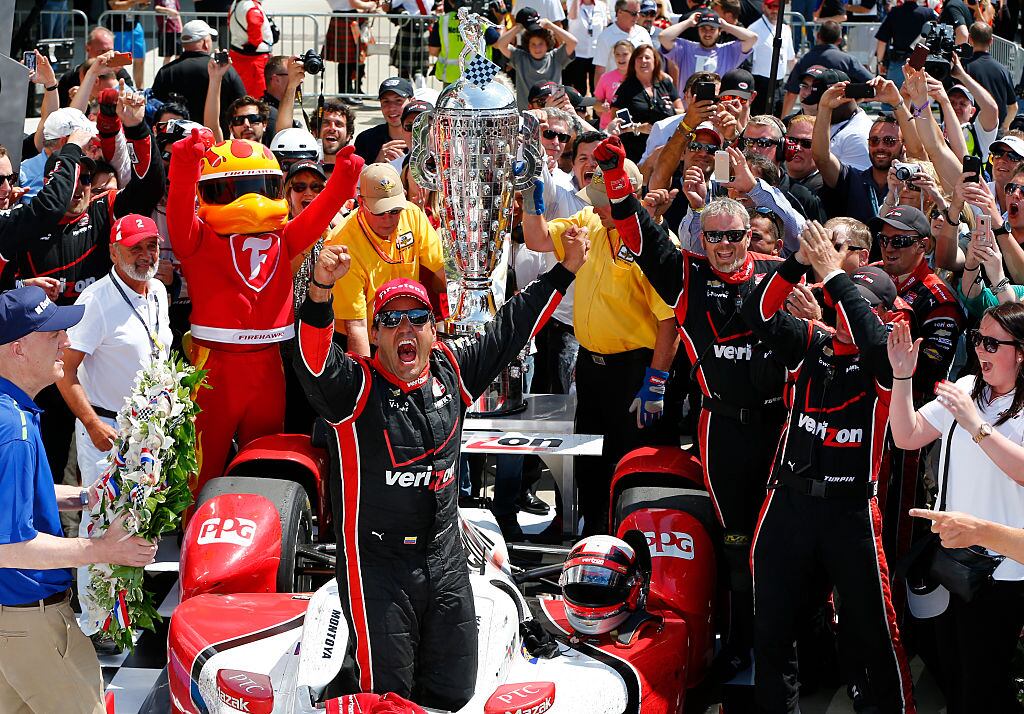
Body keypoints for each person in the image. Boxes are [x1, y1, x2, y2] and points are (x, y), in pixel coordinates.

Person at [294, 234, 587, 708]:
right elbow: (311, 362)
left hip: (445, 558)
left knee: (455, 691)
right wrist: (321, 293)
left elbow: (509, 329)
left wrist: (565, 269)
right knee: (388, 698)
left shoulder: (451, 370)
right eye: (390, 320)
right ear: (376, 331)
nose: (404, 329)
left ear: (434, 330)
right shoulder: (353, 390)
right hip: (378, 567)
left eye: (417, 318)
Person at [598, 136, 787, 680]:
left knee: (775, 542)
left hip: (779, 427)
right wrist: (615, 175)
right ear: (702, 239)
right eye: (714, 238)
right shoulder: (689, 278)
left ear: (750, 237)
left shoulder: (777, 276)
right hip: (722, 429)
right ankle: (736, 639)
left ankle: (782, 640)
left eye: (734, 237)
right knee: (733, 542)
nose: (724, 246)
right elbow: (639, 235)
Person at [745, 223, 916, 714]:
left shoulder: (888, 363)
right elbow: (757, 313)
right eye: (836, 301)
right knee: (772, 630)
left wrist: (835, 277)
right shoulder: (809, 346)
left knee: (874, 633)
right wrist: (799, 263)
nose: (839, 313)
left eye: (850, 303)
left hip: (851, 513)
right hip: (789, 502)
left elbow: (870, 338)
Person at [166, 129, 362, 501]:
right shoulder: (197, 239)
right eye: (237, 189)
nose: (251, 199)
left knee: (266, 461)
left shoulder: (283, 237)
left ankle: (263, 536)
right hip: (214, 368)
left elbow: (318, 217)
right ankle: (192, 537)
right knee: (200, 467)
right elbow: (178, 206)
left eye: (261, 186)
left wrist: (343, 180)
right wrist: (187, 161)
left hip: (268, 365)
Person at [0, 285, 157, 714]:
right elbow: (8, 547)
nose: (66, 342)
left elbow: (17, 497)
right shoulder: (12, 429)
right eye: (53, 334)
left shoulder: (9, 413)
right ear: (17, 348)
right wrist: (103, 549)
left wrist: (87, 497)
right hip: (32, 623)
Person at [523, 159, 680, 536]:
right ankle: (593, 544)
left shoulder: (657, 244)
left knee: (633, 468)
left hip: (636, 372)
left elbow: (669, 320)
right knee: (591, 468)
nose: (594, 207)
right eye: (593, 199)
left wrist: (656, 381)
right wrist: (531, 200)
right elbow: (537, 239)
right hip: (592, 369)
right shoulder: (592, 224)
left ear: (632, 198)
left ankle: (635, 549)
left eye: (604, 201)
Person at [888, 302, 1024, 713]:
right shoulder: (966, 388)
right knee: (957, 677)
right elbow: (907, 436)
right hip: (955, 559)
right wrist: (902, 376)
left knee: (984, 683)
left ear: (1021, 352)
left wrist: (975, 425)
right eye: (977, 339)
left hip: (1006, 569)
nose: (980, 349)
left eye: (991, 342)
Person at [55, 214, 171, 642]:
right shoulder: (97, 302)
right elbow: (63, 372)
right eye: (135, 248)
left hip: (149, 431)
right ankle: (95, 620)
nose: (146, 255)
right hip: (106, 429)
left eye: (151, 246)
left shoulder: (157, 290)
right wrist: (91, 423)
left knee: (137, 520)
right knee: (101, 522)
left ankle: (122, 609)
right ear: (114, 252)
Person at [325, 163, 446, 356]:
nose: (388, 219)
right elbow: (355, 326)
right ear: (361, 202)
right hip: (364, 338)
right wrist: (368, 378)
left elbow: (444, 271)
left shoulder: (412, 215)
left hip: (406, 326)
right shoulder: (343, 243)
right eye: (380, 211)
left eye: (394, 210)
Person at [151, 20, 246, 125]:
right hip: (216, 137)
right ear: (205, 43)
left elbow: (155, 106)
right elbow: (242, 102)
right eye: (211, 39)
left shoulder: (166, 72)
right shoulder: (223, 70)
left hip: (177, 137)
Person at [783, 21, 873, 116]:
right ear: (839, 40)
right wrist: (854, 99)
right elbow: (871, 84)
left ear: (818, 36)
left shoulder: (805, 59)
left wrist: (782, 123)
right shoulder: (848, 60)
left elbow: (791, 94)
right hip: (839, 115)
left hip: (810, 117)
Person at [612, 45, 683, 162]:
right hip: (636, 148)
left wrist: (665, 111)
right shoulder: (626, 88)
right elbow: (615, 122)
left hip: (666, 144)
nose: (643, 61)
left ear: (655, 61)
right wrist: (638, 127)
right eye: (639, 58)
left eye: (647, 57)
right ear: (633, 62)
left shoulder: (665, 83)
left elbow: (681, 111)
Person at [496, 11, 578, 110]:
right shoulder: (520, 57)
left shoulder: (555, 57)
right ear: (527, 45)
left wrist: (550, 25)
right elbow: (500, 44)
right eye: (533, 44)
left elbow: (573, 42)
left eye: (541, 44)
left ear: (547, 44)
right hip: (527, 114)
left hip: (554, 113)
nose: (537, 48)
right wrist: (519, 27)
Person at [656, 10, 756, 85]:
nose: (707, 33)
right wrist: (689, 22)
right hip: (689, 107)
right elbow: (663, 37)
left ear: (719, 31)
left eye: (712, 29)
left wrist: (726, 26)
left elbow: (752, 38)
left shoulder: (728, 51)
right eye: (703, 28)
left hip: (717, 107)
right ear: (698, 30)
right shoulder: (685, 48)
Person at [56, 27, 134, 108]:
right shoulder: (72, 77)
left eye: (110, 51)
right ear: (88, 49)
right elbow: (60, 112)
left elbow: (130, 100)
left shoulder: (119, 72)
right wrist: (78, 98)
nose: (107, 55)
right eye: (102, 51)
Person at [964, 22, 1018, 130]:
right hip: (995, 134)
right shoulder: (1003, 70)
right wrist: (1004, 127)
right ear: (991, 41)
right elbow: (1013, 107)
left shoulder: (963, 69)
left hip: (970, 134)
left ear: (970, 39)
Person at [873, 0, 937, 89]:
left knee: (892, 99)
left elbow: (882, 41)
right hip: (921, 64)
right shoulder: (928, 13)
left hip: (898, 65)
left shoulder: (895, 12)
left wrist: (880, 63)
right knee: (919, 100)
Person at [748, 0, 795, 116]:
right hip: (761, 85)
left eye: (778, 7)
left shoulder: (785, 29)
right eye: (771, 6)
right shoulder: (753, 29)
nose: (775, 10)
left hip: (780, 84)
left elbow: (790, 59)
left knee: (778, 121)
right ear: (764, 7)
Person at [354, 78, 414, 166]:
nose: (391, 108)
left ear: (412, 101)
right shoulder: (366, 139)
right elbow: (357, 178)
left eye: (398, 101)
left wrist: (404, 168)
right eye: (386, 101)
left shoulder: (425, 139)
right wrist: (377, 164)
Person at [593, 0, 653, 84]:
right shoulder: (605, 36)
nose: (637, 17)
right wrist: (600, 96)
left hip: (641, 89)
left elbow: (652, 61)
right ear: (620, 12)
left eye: (639, 13)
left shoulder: (643, 33)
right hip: (616, 90)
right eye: (633, 13)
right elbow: (600, 70)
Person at [227, 0, 275, 97]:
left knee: (241, 91)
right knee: (258, 93)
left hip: (240, 53)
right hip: (254, 59)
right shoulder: (250, 6)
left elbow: (229, 22)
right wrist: (255, 43)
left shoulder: (236, 3)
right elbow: (255, 25)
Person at [565, 0, 611, 95]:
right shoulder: (572, 3)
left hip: (596, 54)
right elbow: (572, 17)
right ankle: (580, 109)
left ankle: (596, 109)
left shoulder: (601, 6)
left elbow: (604, 28)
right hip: (578, 53)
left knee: (597, 87)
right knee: (579, 88)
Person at [593, 40, 635, 129]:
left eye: (625, 54)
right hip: (608, 129)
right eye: (617, 54)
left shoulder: (638, 77)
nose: (621, 58)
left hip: (633, 129)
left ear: (633, 55)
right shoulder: (605, 77)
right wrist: (602, 107)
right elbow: (595, 104)